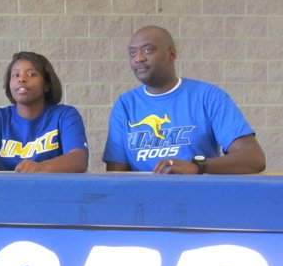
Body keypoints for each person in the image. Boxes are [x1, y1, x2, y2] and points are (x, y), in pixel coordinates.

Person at [103, 25, 265, 174]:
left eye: (148, 50)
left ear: (171, 54)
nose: (138, 58)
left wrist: (197, 166)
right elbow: (116, 174)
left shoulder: (208, 96)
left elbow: (253, 158)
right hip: (144, 202)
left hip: (198, 200)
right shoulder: (125, 104)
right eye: (132, 53)